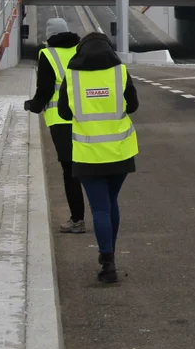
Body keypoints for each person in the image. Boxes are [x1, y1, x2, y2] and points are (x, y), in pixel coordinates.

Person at [58, 31, 139, 284]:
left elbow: (63, 112)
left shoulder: (71, 76)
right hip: (120, 151)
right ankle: (109, 258)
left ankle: (108, 261)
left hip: (87, 153)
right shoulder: (120, 72)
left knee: (100, 208)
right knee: (111, 201)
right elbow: (133, 105)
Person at [24, 17, 85, 233]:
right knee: (89, 168)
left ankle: (77, 219)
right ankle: (100, 214)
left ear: (49, 36)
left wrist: (34, 105)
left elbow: (46, 89)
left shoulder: (47, 54)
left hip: (60, 121)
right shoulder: (80, 51)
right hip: (84, 117)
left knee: (70, 171)